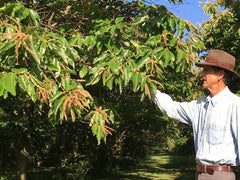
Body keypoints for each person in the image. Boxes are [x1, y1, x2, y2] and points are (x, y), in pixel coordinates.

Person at [151, 49, 240, 180]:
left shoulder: (235, 105)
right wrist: (148, 85)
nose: (201, 74)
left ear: (220, 74)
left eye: (206, 70)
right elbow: (171, 108)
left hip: (221, 175)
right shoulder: (199, 106)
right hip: (199, 174)